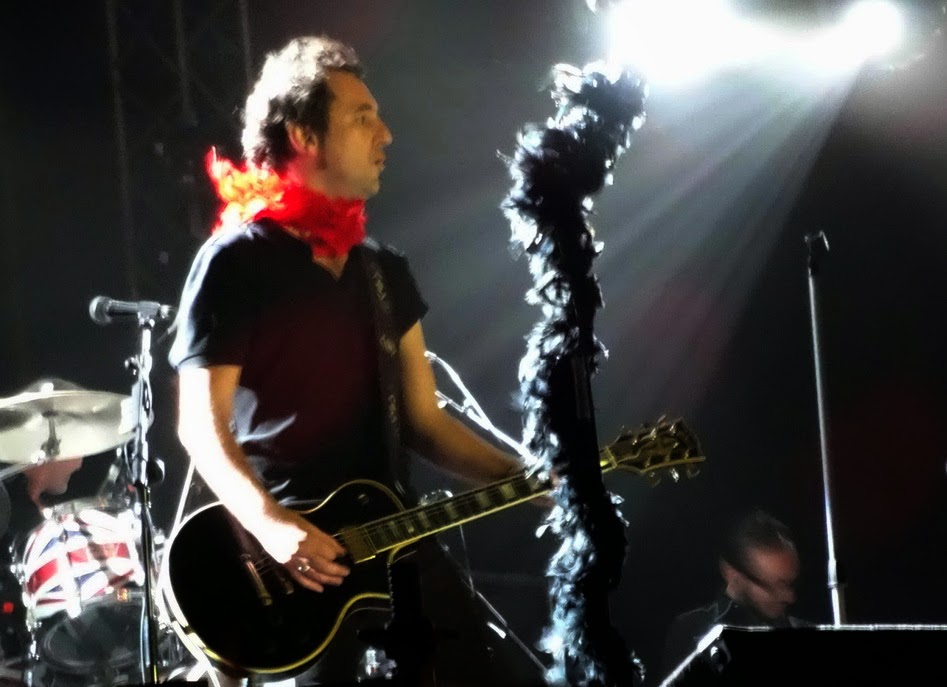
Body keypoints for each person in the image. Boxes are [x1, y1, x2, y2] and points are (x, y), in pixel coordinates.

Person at [168, 35, 543, 687]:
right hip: (295, 566)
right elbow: (200, 427)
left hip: (395, 536)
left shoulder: (383, 272)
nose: (386, 134)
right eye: (362, 117)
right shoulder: (234, 263)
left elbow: (424, 421)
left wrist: (527, 476)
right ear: (303, 136)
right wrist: (274, 527)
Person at [660, 509, 808, 683]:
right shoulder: (691, 631)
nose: (790, 597)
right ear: (731, 573)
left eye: (791, 584)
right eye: (774, 586)